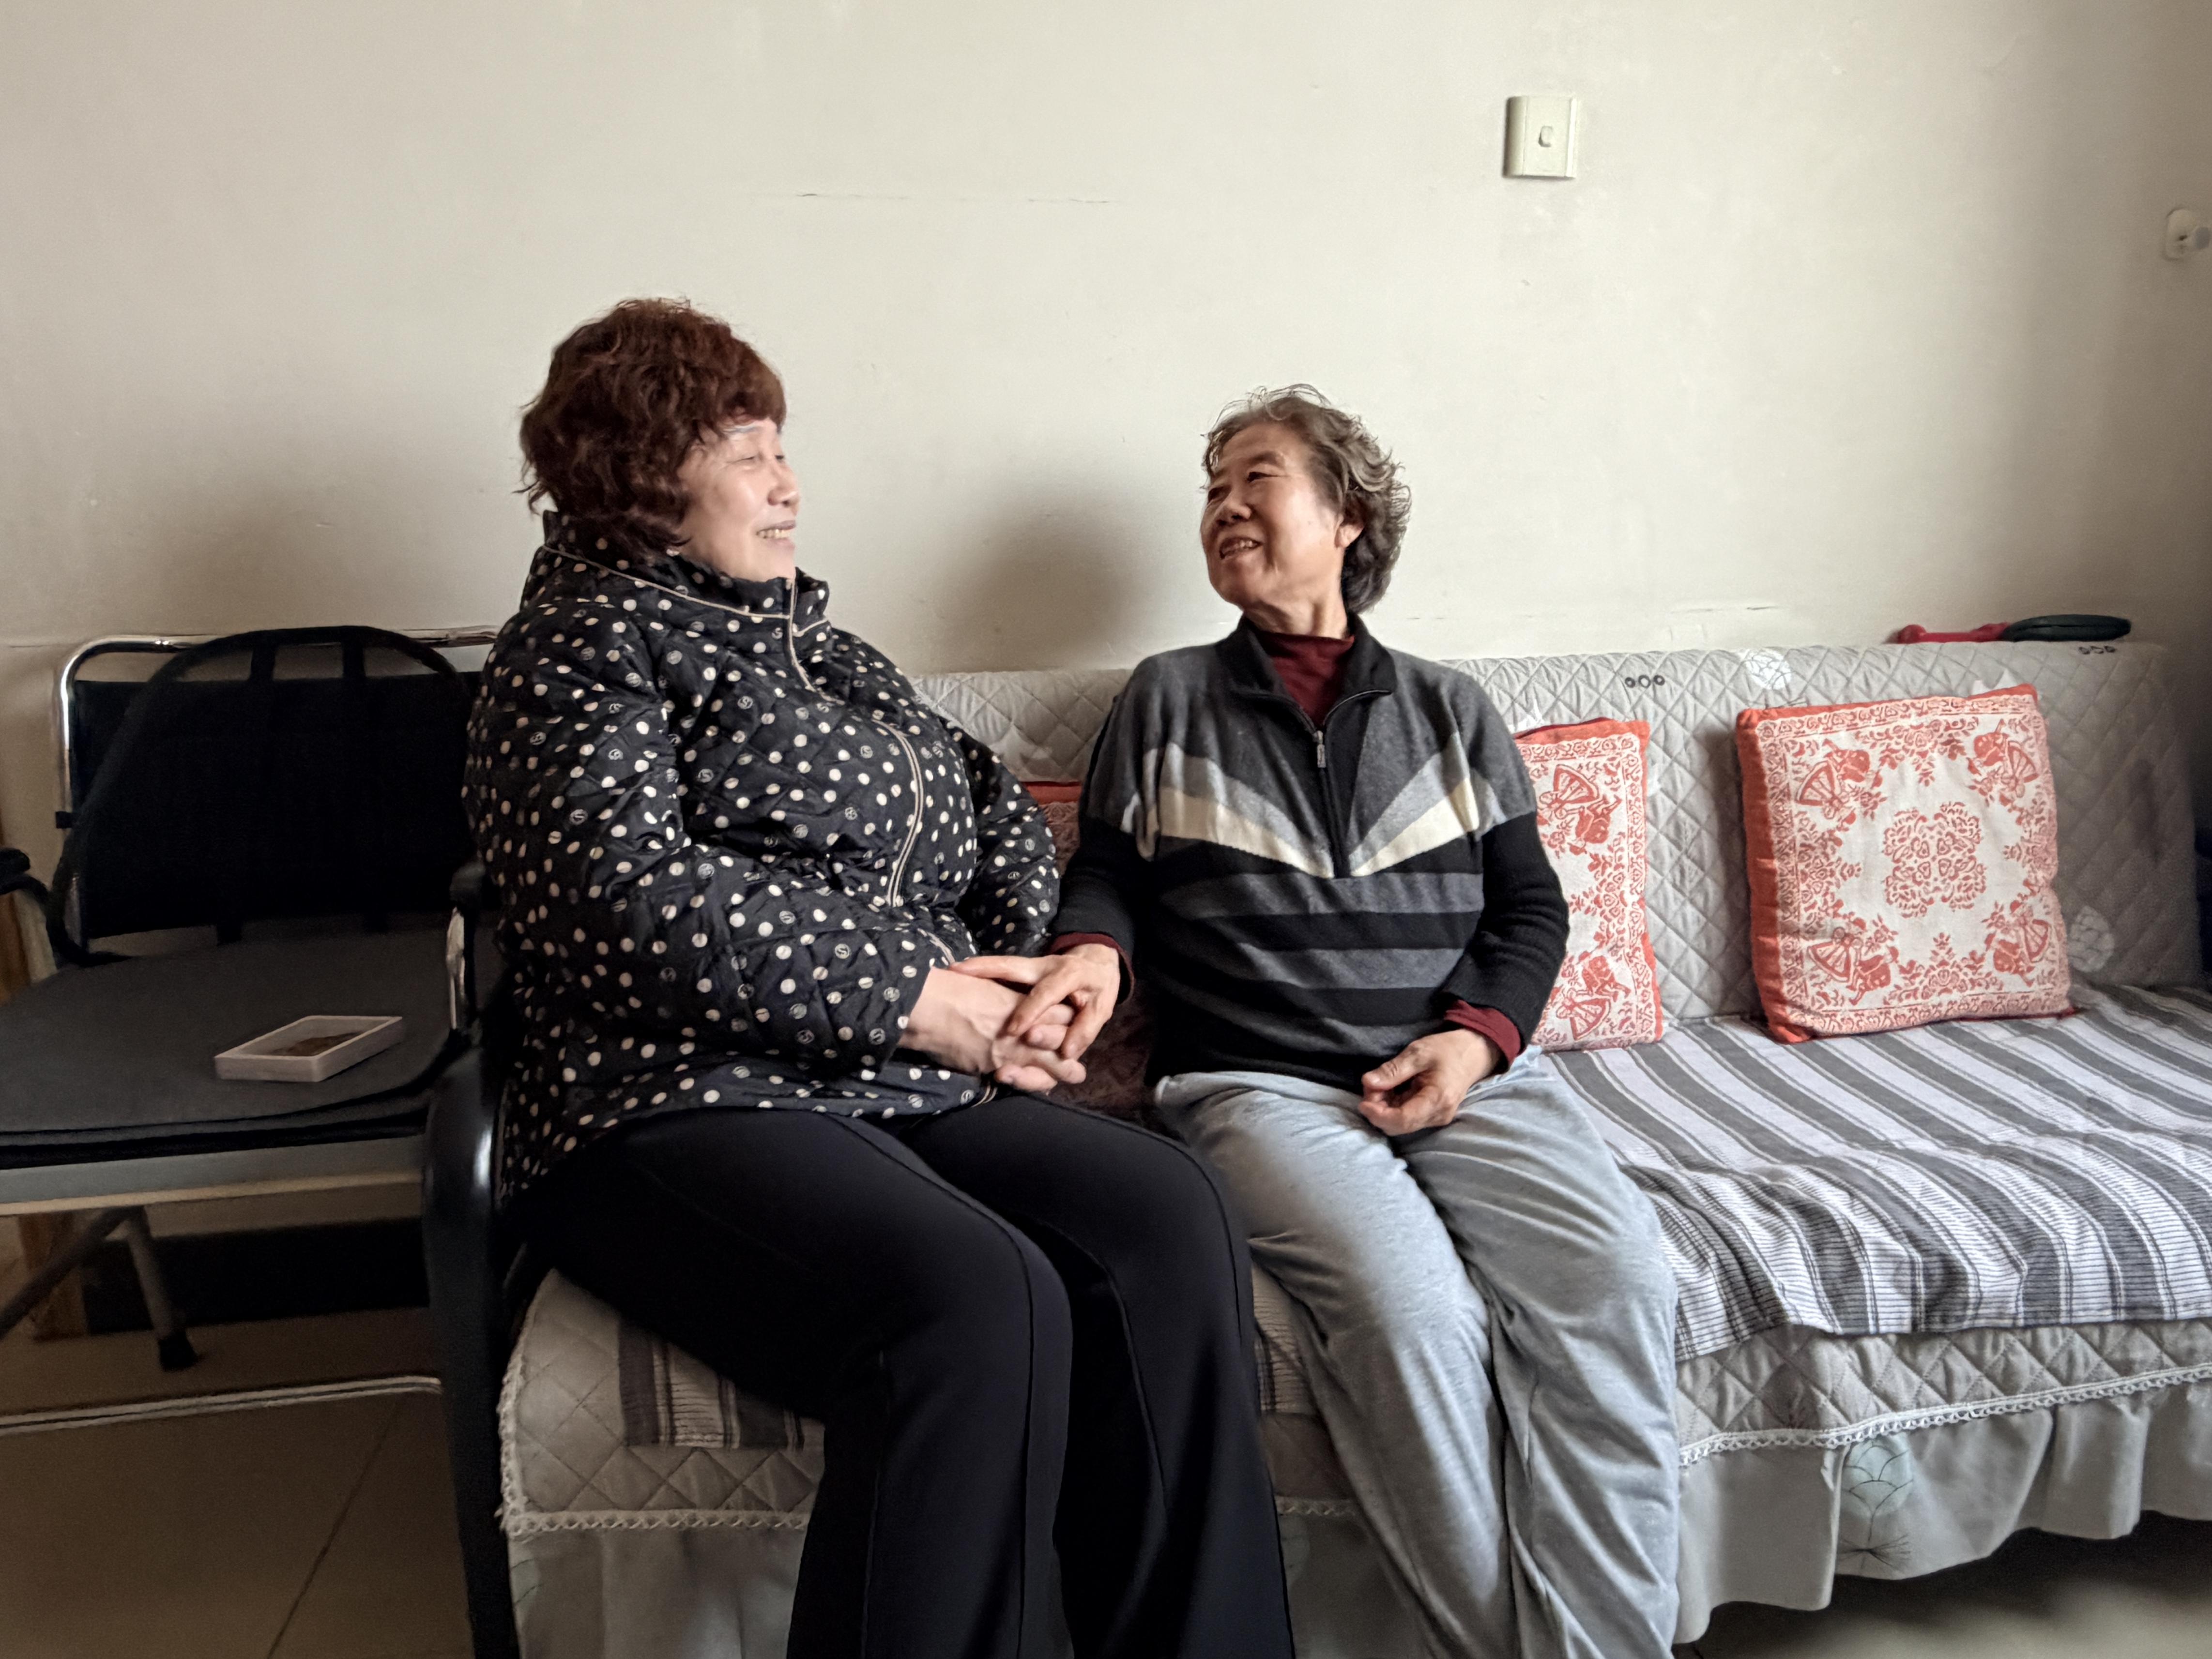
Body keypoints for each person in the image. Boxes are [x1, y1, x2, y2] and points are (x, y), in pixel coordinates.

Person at [463, 300, 1295, 1659]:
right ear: (642, 477)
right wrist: (915, 994)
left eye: (781, 448)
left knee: (1164, 1211)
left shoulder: (822, 649)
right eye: (747, 453)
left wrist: (1028, 977)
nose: (787, 482)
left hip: (892, 1080)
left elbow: (990, 802)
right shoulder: (577, 645)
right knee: (974, 1295)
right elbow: (616, 897)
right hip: (673, 1097)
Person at [963, 386, 1681, 1659]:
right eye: (1212, 491)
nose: (1225, 507)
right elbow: (1113, 875)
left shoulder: (1452, 709)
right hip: (1258, 1087)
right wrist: (1092, 949)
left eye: (1258, 479)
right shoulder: (1167, 697)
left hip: (1467, 1072)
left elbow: (1530, 908)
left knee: (1619, 1278)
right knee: (1414, 1319)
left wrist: (1476, 1040)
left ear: (1348, 517)